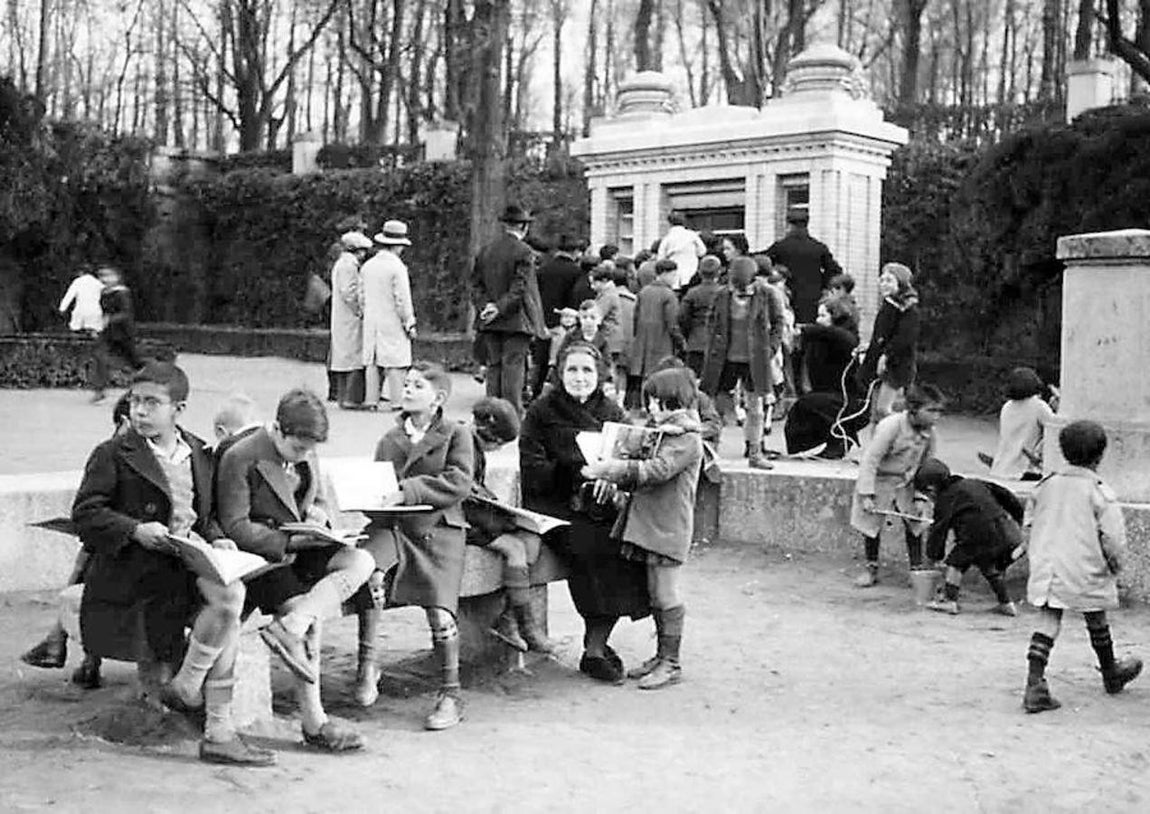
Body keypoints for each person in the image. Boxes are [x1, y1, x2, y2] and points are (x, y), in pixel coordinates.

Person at [72, 362, 273, 766]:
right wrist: (133, 529)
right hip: (138, 570)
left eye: (152, 403)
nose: (140, 411)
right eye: (135, 401)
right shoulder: (114, 453)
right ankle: (218, 729)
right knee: (227, 611)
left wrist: (218, 538)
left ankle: (189, 686)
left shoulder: (199, 452)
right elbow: (86, 512)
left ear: (178, 409)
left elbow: (206, 513)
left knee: (232, 594)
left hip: (187, 558)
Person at [215, 389, 372, 752]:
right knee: (306, 611)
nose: (305, 455)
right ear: (278, 430)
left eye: (311, 449)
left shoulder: (306, 451)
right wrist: (289, 543)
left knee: (360, 561)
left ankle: (291, 625)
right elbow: (236, 525)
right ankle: (314, 721)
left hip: (302, 544)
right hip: (263, 559)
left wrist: (319, 516)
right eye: (299, 447)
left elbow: (316, 499)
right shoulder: (242, 456)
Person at [520, 342, 651, 683]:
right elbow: (532, 472)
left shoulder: (612, 412)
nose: (580, 378)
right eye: (572, 370)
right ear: (560, 374)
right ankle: (595, 650)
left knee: (629, 546)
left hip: (604, 506)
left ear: (600, 375)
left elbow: (632, 462)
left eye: (587, 370)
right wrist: (575, 472)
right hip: (556, 506)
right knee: (590, 547)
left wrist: (615, 481)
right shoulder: (541, 412)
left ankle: (597, 645)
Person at [360, 363, 475, 729]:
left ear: (438, 398)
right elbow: (377, 485)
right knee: (370, 575)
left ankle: (450, 692)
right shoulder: (389, 439)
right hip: (394, 527)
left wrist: (407, 491)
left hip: (438, 528)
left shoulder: (457, 434)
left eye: (417, 385)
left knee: (440, 612)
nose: (407, 390)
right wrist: (370, 497)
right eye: (406, 383)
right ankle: (367, 664)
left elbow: (458, 482)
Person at [581, 367, 703, 690]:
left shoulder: (686, 439)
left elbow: (657, 470)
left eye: (655, 401)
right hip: (651, 526)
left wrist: (611, 468)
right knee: (654, 593)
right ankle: (662, 656)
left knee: (666, 594)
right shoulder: (665, 432)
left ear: (672, 400)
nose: (650, 407)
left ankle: (671, 662)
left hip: (667, 528)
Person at [1017, 420, 1142, 713]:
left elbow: (1029, 524)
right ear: (1100, 456)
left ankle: (1034, 683)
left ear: (1062, 451)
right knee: (1096, 617)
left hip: (1049, 565)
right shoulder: (1100, 492)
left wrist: (1031, 552)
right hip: (1086, 566)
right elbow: (1112, 538)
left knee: (1048, 618)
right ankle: (1111, 672)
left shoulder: (1045, 485)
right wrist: (1116, 566)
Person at [20, 393, 133, 688]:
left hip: (120, 546)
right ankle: (68, 646)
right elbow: (92, 508)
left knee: (87, 560)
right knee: (89, 556)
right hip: (113, 542)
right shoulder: (110, 453)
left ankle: (65, 644)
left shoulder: (126, 451)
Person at [463, 396, 557, 654]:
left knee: (532, 540)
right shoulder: (464, 446)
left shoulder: (471, 443)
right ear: (489, 436)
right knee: (515, 548)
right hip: (460, 523)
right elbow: (464, 499)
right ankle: (524, 624)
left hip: (474, 518)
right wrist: (502, 521)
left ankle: (510, 617)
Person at [850, 383, 944, 588]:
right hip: (880, 479)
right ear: (913, 409)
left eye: (939, 411)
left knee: (915, 523)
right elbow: (870, 459)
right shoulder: (890, 426)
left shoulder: (931, 433)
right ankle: (871, 567)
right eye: (931, 410)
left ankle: (916, 569)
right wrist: (866, 494)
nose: (936, 416)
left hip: (908, 481)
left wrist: (921, 496)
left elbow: (927, 466)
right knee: (871, 524)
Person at [700, 256, 783, 470]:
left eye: (744, 288)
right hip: (724, 358)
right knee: (716, 406)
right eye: (736, 288)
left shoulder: (767, 294)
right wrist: (713, 343)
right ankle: (711, 451)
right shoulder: (721, 295)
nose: (739, 292)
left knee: (756, 407)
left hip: (755, 358)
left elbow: (778, 321)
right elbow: (711, 320)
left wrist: (771, 348)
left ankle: (755, 452)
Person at [913, 458, 1023, 616]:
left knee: (956, 564)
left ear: (932, 489)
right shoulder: (975, 482)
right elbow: (1006, 496)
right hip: (1005, 531)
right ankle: (1006, 604)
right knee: (989, 566)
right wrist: (1019, 517)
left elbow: (938, 531)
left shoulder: (945, 500)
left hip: (976, 536)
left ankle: (949, 601)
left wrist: (933, 556)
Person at [471, 204, 546, 415]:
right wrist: (499, 307)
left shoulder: (486, 250)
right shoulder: (524, 252)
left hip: (489, 320)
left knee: (494, 365)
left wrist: (486, 306)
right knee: (513, 367)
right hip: (516, 320)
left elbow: (475, 285)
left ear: (505, 225)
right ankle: (510, 415)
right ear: (523, 227)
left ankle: (490, 413)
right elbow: (520, 287)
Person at [784, 298, 865, 459]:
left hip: (849, 399)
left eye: (822, 316)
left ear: (835, 317)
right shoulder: (821, 340)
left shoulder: (845, 338)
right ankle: (832, 441)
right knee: (804, 408)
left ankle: (840, 440)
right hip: (828, 393)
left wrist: (807, 330)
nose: (817, 320)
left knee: (808, 404)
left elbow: (844, 339)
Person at [361, 220, 417, 411]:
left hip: (371, 318)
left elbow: (361, 296)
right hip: (391, 319)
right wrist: (409, 322)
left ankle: (371, 400)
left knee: (372, 360)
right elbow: (402, 299)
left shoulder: (367, 266)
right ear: (397, 245)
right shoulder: (397, 268)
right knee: (396, 361)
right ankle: (397, 401)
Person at [857, 262, 920, 425]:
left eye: (889, 280)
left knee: (884, 410)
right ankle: (879, 447)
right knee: (875, 414)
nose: (883, 284)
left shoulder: (908, 308)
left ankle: (907, 435)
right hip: (878, 362)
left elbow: (905, 338)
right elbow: (881, 334)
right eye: (882, 279)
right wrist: (869, 348)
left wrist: (886, 355)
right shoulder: (888, 305)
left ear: (901, 283)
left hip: (896, 365)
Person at [765, 212, 842, 324]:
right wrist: (823, 286)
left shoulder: (780, 247)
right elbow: (835, 270)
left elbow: (764, 263)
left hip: (788, 297)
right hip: (813, 299)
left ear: (789, 226)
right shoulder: (818, 247)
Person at [532, 234, 584, 397]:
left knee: (539, 361)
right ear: (575, 252)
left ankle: (535, 392)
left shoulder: (543, 270)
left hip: (542, 321)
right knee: (559, 360)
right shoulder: (576, 272)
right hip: (564, 322)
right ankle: (556, 394)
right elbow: (576, 298)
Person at [983, 367, 1056, 481]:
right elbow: (1056, 428)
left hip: (1000, 467)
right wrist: (1057, 405)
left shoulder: (1007, 407)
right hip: (1023, 470)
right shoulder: (1038, 405)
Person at [629, 259, 685, 407]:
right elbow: (672, 323)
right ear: (665, 274)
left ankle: (643, 404)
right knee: (662, 375)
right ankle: (658, 406)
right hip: (663, 341)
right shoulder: (669, 295)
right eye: (673, 275)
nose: (674, 278)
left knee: (644, 375)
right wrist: (681, 342)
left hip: (642, 340)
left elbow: (635, 317)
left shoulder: (643, 292)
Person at [329, 231, 373, 409]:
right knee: (353, 357)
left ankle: (344, 397)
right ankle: (351, 398)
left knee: (344, 357)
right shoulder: (348, 266)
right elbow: (349, 292)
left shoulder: (343, 263)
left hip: (344, 317)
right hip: (350, 318)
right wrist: (360, 310)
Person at [90, 266, 141, 404]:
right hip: (108, 334)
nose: (104, 279)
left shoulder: (122, 293)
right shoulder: (104, 293)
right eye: (102, 276)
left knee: (134, 363)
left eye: (108, 276)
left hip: (123, 333)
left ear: (116, 277)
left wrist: (110, 320)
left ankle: (143, 388)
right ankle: (99, 392)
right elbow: (102, 312)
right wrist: (97, 326)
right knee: (99, 358)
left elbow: (126, 313)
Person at [679, 255, 721, 378]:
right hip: (717, 344)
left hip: (695, 341)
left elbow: (682, 317)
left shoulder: (692, 293)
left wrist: (687, 334)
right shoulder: (724, 293)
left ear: (699, 272)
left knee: (694, 380)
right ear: (719, 272)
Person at [656, 211, 706, 292]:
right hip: (692, 273)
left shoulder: (667, 239)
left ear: (670, 223)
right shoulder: (692, 235)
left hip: (674, 276)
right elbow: (702, 251)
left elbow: (660, 259)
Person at [556, 300, 610, 364]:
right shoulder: (571, 336)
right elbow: (561, 357)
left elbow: (607, 363)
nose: (588, 321)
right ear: (579, 319)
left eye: (593, 318)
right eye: (584, 317)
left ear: (599, 320)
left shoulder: (603, 339)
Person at [613, 265, 638, 399]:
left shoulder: (605, 299)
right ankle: (621, 401)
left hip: (609, 342)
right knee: (622, 372)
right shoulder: (634, 301)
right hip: (629, 342)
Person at [59, 266, 104, 334]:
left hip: (80, 310)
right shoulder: (98, 283)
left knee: (76, 331)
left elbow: (69, 296)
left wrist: (62, 309)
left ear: (81, 272)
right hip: (94, 311)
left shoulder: (78, 281)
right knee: (93, 332)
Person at [591, 264, 622, 357]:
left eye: (594, 283)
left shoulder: (607, 295)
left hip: (608, 339)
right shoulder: (608, 292)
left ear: (604, 281)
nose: (592, 287)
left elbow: (597, 316)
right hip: (612, 339)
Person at [824, 273, 860, 337]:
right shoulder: (828, 303)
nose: (834, 291)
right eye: (832, 288)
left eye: (838, 288)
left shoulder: (849, 307)